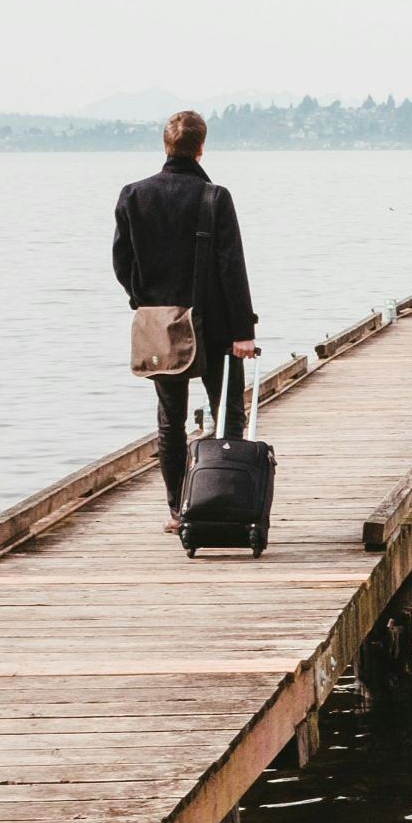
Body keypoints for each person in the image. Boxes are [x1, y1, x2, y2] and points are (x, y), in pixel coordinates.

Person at [111, 110, 260, 531]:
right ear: (201, 147)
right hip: (214, 325)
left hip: (159, 323)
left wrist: (144, 301)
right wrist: (243, 333)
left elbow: (122, 262)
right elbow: (232, 267)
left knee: (169, 419)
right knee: (227, 413)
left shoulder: (133, 195)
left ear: (166, 146)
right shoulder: (214, 197)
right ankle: (225, 501)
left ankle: (181, 510)